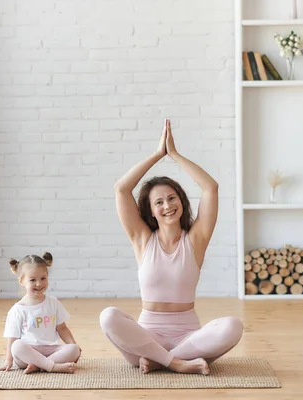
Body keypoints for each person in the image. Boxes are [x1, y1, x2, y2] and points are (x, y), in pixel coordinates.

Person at [100, 119, 244, 375]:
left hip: (188, 340)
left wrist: (175, 155)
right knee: (108, 316)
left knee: (233, 326)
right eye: (159, 203)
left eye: (171, 198)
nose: (167, 206)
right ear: (151, 211)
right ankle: (175, 363)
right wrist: (158, 154)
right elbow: (121, 189)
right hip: (144, 340)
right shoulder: (142, 239)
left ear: (181, 201)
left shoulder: (195, 239)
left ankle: (163, 360)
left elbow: (210, 187)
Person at [0, 253, 81, 374]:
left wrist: (72, 345)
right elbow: (12, 338)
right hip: (28, 353)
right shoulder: (17, 310)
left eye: (43, 278)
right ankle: (53, 367)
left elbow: (62, 328)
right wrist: (8, 360)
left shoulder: (53, 302)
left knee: (74, 349)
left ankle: (38, 366)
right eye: (32, 280)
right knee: (17, 346)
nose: (39, 284)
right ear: (21, 281)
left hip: (51, 350)